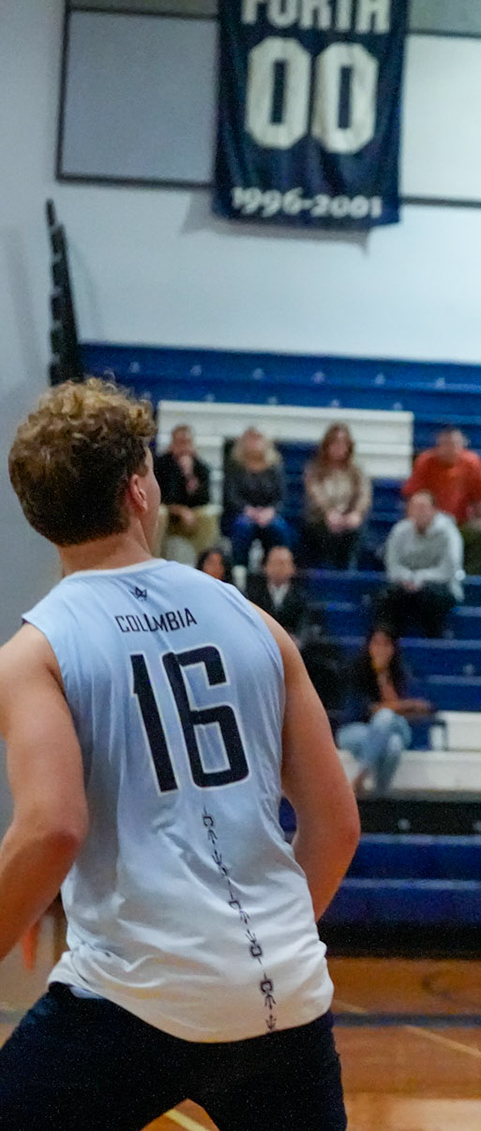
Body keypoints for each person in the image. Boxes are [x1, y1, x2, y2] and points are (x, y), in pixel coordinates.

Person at [0, 379, 358, 1128]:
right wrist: (254, 952)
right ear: (138, 491)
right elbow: (335, 825)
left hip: (134, 998)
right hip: (286, 998)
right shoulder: (255, 620)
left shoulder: (34, 653)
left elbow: (51, 828)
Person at [336, 627, 434, 798]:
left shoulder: (402, 673)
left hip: (395, 727)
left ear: (393, 648)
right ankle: (381, 793)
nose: (381, 649)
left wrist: (384, 676)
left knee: (386, 719)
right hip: (356, 729)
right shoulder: (357, 671)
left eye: (386, 644)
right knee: (393, 745)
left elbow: (422, 707)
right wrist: (405, 705)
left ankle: (362, 775)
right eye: (376, 644)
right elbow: (368, 709)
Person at [402, 427, 481, 575]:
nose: (451, 449)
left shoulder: (472, 463)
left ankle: (468, 575)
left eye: (455, 444)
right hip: (431, 527)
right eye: (446, 444)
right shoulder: (425, 462)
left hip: (460, 526)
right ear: (438, 446)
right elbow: (413, 498)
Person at [376, 490, 463, 639]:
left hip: (440, 586)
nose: (418, 512)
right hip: (405, 584)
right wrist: (407, 578)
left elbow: (448, 569)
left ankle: (434, 641)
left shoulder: (449, 532)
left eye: (422, 507)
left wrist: (419, 578)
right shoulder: (399, 530)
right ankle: (388, 641)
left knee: (432, 598)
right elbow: (393, 565)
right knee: (387, 596)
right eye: (413, 507)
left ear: (434, 510)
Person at [223, 425, 296, 567]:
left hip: (268, 514)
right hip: (243, 512)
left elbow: (281, 497)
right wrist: (248, 510)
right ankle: (240, 570)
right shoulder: (235, 465)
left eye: (258, 438)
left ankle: (274, 569)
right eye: (251, 439)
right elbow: (231, 495)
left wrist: (270, 511)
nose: (254, 443)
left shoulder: (275, 466)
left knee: (279, 529)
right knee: (242, 528)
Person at [302, 421, 370, 571]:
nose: (339, 447)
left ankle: (348, 571)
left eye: (343, 443)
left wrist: (356, 513)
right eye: (335, 443)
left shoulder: (356, 471)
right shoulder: (314, 470)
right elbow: (315, 494)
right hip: (320, 518)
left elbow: (364, 494)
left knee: (355, 529)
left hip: (347, 516)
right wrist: (329, 512)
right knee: (322, 530)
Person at [153, 422, 219, 562]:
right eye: (180, 443)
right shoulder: (160, 465)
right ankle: (153, 560)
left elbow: (205, 499)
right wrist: (179, 510)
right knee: (159, 513)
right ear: (172, 444)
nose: (184, 448)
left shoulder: (201, 468)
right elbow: (161, 497)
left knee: (207, 515)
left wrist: (189, 476)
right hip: (168, 515)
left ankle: (205, 564)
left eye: (187, 442)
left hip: (190, 518)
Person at [244, 544, 317, 644]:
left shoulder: (301, 596)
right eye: (274, 563)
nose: (278, 568)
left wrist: (296, 641)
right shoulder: (254, 595)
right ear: (265, 567)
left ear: (293, 568)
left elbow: (304, 625)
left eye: (283, 563)